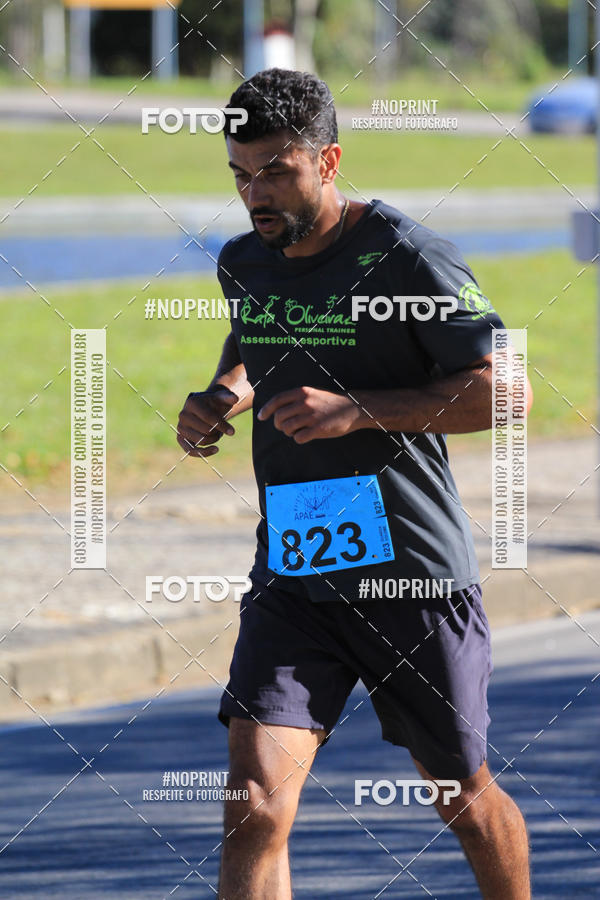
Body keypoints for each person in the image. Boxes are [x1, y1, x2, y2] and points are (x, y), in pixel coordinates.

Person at [177, 68, 532, 900]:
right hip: (297, 563)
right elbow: (260, 338)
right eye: (239, 173)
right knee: (254, 802)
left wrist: (357, 411)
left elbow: (505, 392)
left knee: (462, 797)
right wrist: (223, 395)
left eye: (275, 171)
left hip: (409, 567)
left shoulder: (409, 258)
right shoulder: (245, 262)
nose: (254, 193)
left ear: (327, 160)